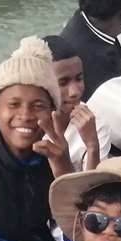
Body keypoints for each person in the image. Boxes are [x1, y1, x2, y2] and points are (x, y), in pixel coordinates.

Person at [0, 37, 71, 241]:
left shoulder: (54, 155)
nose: (26, 115)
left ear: (53, 111)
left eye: (38, 106)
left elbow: (77, 229)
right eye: (14, 104)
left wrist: (63, 168)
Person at [42, 34, 101, 172]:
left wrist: (92, 146)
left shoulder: (95, 125)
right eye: (62, 83)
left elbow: (93, 184)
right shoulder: (24, 123)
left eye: (79, 79)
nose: (74, 92)